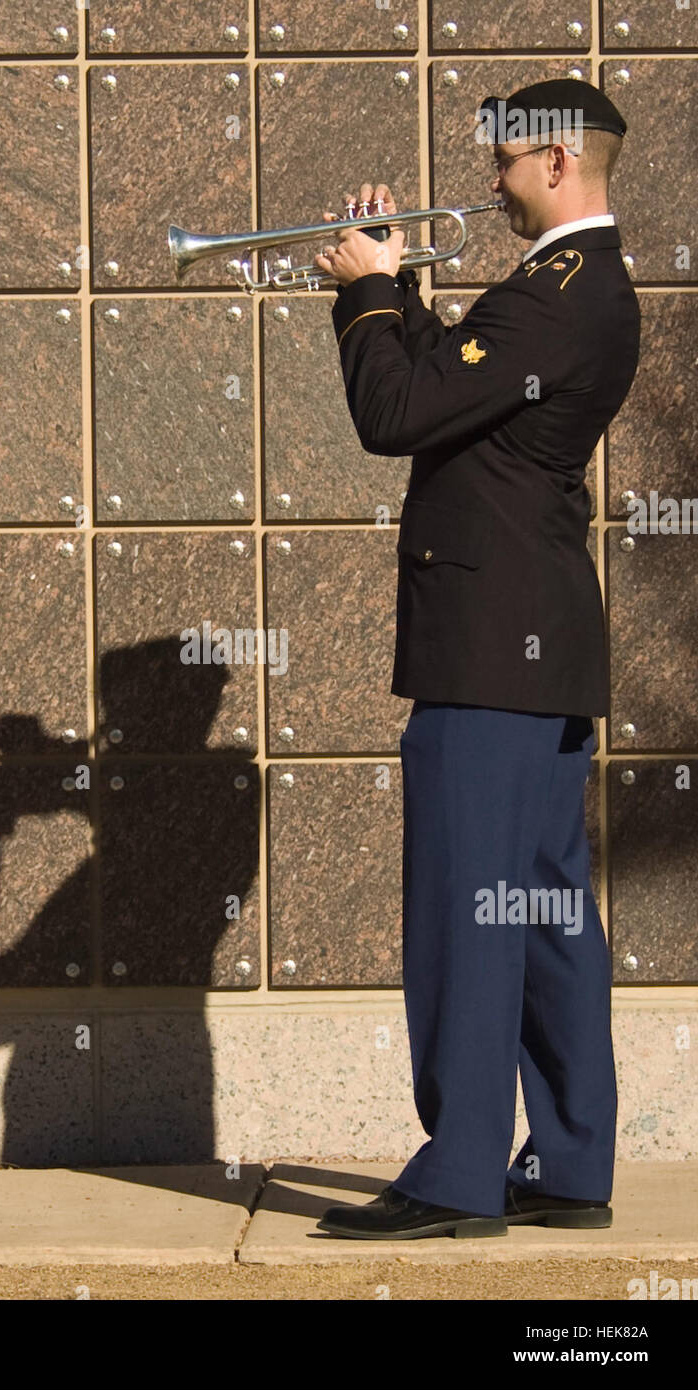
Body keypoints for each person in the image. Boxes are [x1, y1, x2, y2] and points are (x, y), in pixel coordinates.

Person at [312, 79, 641, 1239]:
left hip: (489, 650)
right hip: (530, 648)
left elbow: (395, 412)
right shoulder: (571, 290)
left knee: (468, 905)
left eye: (503, 159)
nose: (488, 177)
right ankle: (567, 1162)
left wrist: (366, 296)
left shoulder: (555, 296)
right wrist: (396, 289)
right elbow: (452, 397)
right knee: (544, 907)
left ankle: (456, 1176)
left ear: (556, 162)